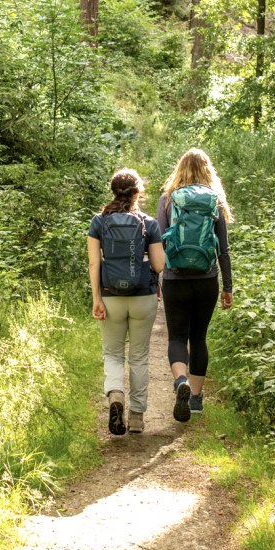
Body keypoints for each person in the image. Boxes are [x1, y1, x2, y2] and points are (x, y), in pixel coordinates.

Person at [156, 148, 233, 423]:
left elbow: (160, 242)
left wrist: (157, 278)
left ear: (179, 169)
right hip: (206, 279)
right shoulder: (215, 200)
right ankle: (197, 401)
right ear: (207, 171)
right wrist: (228, 287)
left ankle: (180, 383)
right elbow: (223, 249)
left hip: (175, 278)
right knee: (198, 337)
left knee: (177, 337)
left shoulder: (167, 199)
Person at [88, 169, 165, 435]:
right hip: (143, 296)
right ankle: (136, 417)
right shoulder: (149, 224)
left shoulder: (98, 222)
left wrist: (97, 298)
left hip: (111, 297)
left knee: (112, 354)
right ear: (137, 193)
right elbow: (158, 264)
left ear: (113, 191)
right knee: (140, 357)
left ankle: (116, 396)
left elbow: (94, 263)